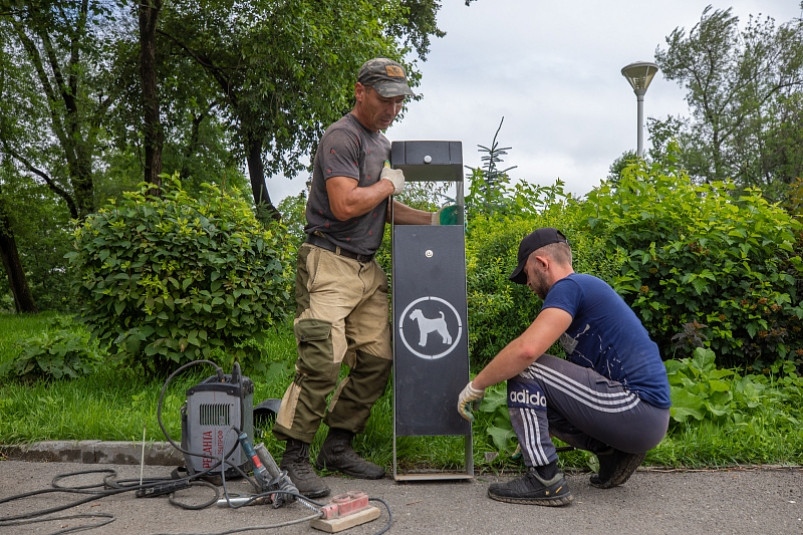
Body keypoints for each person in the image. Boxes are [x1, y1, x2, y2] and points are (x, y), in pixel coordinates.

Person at [272, 58, 442, 499]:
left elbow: (379, 205)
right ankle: (293, 459)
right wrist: (389, 185)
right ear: (360, 91)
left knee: (377, 359)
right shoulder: (341, 137)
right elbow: (347, 204)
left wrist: (433, 220)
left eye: (400, 99)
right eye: (385, 98)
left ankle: (338, 446)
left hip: (367, 269)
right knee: (322, 359)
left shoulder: (380, 144)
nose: (393, 108)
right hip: (329, 263)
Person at [457, 228, 671, 506]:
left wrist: (477, 385)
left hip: (636, 409)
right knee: (541, 383)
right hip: (642, 419)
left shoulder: (571, 286)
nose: (528, 285)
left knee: (527, 367)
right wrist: (534, 428)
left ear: (542, 263)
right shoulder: (586, 292)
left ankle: (543, 478)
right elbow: (570, 390)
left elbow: (526, 350)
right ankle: (613, 455)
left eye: (526, 276)